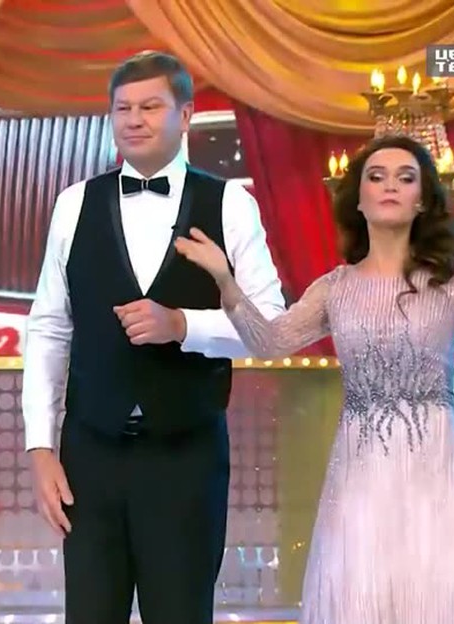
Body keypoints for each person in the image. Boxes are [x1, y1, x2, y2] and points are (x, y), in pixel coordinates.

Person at [174, 134, 454, 623]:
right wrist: (226, 283)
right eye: (376, 177)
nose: (390, 186)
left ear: (422, 199)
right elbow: (270, 342)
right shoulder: (335, 288)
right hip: (362, 471)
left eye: (405, 177)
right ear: (358, 199)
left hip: (442, 468)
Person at [22, 50, 286, 624]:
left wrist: (184, 325)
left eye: (150, 106)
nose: (134, 120)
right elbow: (48, 329)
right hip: (90, 454)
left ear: (185, 114)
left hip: (186, 455)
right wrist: (40, 448)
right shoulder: (74, 204)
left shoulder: (230, 204)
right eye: (123, 109)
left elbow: (270, 328)